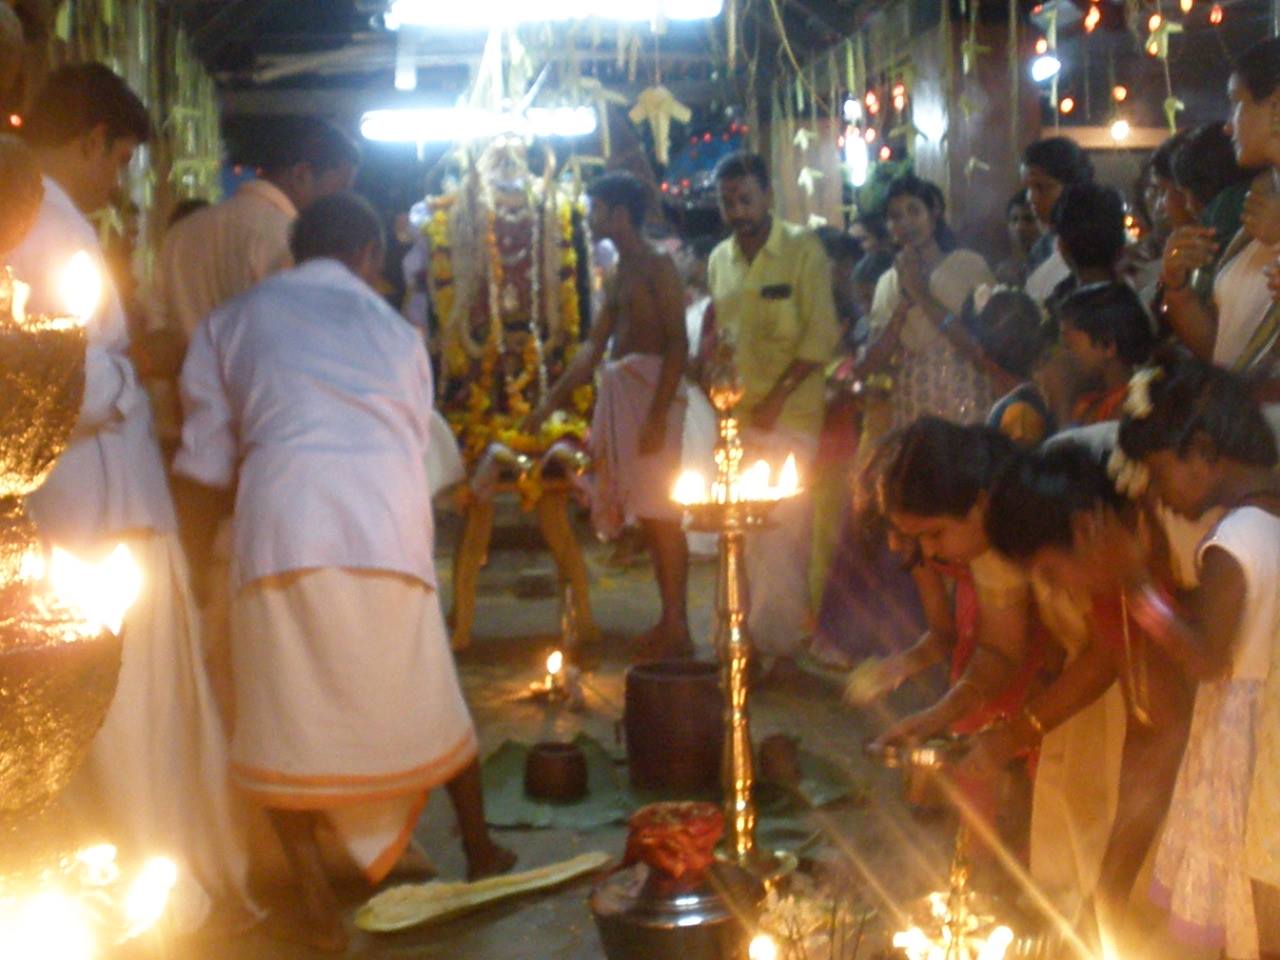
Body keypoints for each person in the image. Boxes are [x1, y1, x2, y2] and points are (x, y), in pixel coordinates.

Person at [174, 192, 515, 951]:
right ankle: (482, 848)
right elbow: (414, 439)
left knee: (283, 719)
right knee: (426, 690)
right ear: (367, 255)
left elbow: (204, 460)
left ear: (298, 252)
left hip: (286, 527)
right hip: (387, 527)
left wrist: (195, 562)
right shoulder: (395, 331)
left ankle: (314, 906)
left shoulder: (232, 320)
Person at [7, 62, 258, 934]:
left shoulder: (49, 217)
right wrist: (130, 369)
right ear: (89, 144)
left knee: (129, 709)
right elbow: (53, 378)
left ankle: (163, 879)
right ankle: (160, 891)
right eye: (117, 162)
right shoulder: (43, 224)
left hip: (89, 498)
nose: (118, 183)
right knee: (128, 710)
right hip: (93, 506)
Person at [977, 443, 1195, 955]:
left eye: (1051, 573)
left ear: (1086, 531)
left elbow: (1164, 727)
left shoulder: (1181, 546)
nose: (1056, 590)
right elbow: (1136, 702)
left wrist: (1113, 885)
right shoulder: (1117, 579)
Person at [1116, 352, 1280, 960]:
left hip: (1242, 741)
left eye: (1162, 473)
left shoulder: (1232, 541)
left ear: (1206, 453)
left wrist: (1134, 583)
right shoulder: (1270, 520)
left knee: (1238, 897)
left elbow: (1207, 659)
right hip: (1265, 724)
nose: (1159, 495)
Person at [530, 171, 691, 660]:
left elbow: (678, 344)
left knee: (663, 517)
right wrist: (546, 406)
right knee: (649, 518)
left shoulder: (658, 267)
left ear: (619, 215)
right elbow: (592, 351)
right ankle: (670, 621)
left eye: (596, 208)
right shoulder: (619, 273)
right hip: (628, 396)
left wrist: (658, 416)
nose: (590, 217)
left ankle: (678, 627)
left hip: (653, 398)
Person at [705, 152, 841, 668]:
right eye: (728, 203)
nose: (738, 212)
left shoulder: (803, 250)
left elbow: (819, 336)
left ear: (767, 198)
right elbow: (722, 335)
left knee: (782, 535)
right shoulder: (720, 259)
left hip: (789, 418)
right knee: (736, 534)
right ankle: (741, 640)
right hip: (735, 422)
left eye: (745, 200)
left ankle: (776, 648)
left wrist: (776, 400)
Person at [153, 115, 358, 342]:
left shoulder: (182, 232)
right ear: (301, 175)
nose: (341, 203)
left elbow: (156, 325)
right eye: (340, 189)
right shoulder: (293, 241)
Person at [1162, 39, 1280, 369]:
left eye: (1236, 103)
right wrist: (1178, 285)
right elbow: (1221, 347)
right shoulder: (1258, 202)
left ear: (1277, 108)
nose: (1228, 126)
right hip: (1244, 415)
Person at [858, 172, 996, 433]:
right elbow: (873, 362)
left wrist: (920, 292)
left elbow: (980, 349)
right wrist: (900, 309)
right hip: (913, 399)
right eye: (896, 216)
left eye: (914, 211)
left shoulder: (968, 265)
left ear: (934, 212)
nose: (906, 223)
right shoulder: (887, 282)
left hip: (966, 393)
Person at [1059, 281, 1156, 425]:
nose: (1065, 354)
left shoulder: (1138, 403)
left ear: (1108, 345)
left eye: (1070, 345)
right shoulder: (1087, 404)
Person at [1022, 136, 1096, 306]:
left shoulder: (1100, 242)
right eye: (1028, 188)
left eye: (1041, 187)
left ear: (1076, 187)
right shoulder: (1041, 247)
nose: (1031, 198)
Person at [994, 192, 1043, 288]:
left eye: (1029, 219)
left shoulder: (1053, 266)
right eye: (1014, 219)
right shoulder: (1003, 272)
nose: (1019, 227)